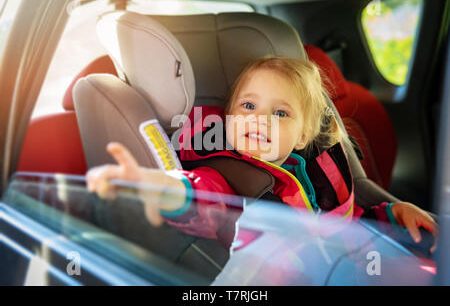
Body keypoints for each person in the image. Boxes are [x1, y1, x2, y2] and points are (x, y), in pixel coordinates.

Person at [86, 56, 438, 253]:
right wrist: (158, 185)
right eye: (249, 106)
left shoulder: (316, 171)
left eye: (280, 113)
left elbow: (351, 220)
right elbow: (203, 199)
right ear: (229, 119)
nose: (259, 119)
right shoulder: (227, 174)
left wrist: (393, 214)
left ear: (302, 136)